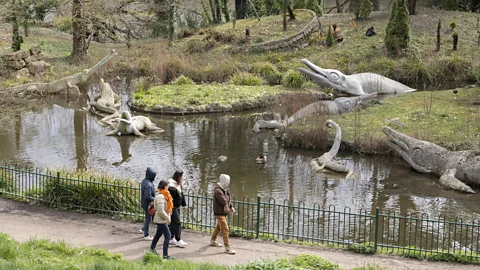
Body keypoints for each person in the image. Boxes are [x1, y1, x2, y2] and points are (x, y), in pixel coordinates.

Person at [210, 174, 236, 254]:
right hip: (219, 213)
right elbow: (224, 201)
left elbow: (228, 199)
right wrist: (227, 197)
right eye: (227, 181)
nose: (228, 183)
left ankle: (212, 240)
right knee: (225, 229)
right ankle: (227, 248)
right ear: (223, 181)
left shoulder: (225, 189)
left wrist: (231, 207)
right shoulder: (218, 191)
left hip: (223, 212)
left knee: (218, 227)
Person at [150, 180, 173, 259]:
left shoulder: (164, 195)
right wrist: (167, 217)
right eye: (168, 186)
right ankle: (165, 255)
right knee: (168, 235)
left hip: (161, 219)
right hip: (161, 220)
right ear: (165, 186)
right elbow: (160, 210)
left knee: (158, 234)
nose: (168, 187)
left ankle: (152, 249)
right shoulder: (161, 197)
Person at [168, 170, 188, 248]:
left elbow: (181, 195)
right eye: (181, 177)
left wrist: (184, 204)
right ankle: (178, 239)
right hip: (173, 207)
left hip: (177, 206)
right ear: (178, 177)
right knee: (177, 223)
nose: (182, 178)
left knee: (173, 223)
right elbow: (170, 199)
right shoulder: (171, 187)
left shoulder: (178, 185)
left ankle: (171, 237)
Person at [140, 167, 157, 240]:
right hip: (148, 205)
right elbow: (148, 196)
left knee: (148, 218)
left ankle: (143, 229)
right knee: (148, 219)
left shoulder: (144, 181)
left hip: (144, 204)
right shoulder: (149, 185)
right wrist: (155, 199)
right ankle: (146, 235)